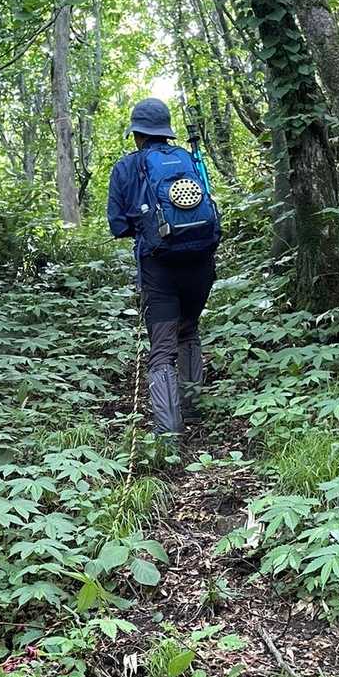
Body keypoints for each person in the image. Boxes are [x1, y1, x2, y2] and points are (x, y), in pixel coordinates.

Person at [106, 97, 220, 440]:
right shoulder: (188, 159)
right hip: (200, 263)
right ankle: (193, 407)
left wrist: (147, 228)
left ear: (137, 133)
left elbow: (118, 226)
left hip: (159, 268)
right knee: (189, 331)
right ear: (166, 131)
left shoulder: (126, 167)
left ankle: (169, 433)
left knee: (162, 348)